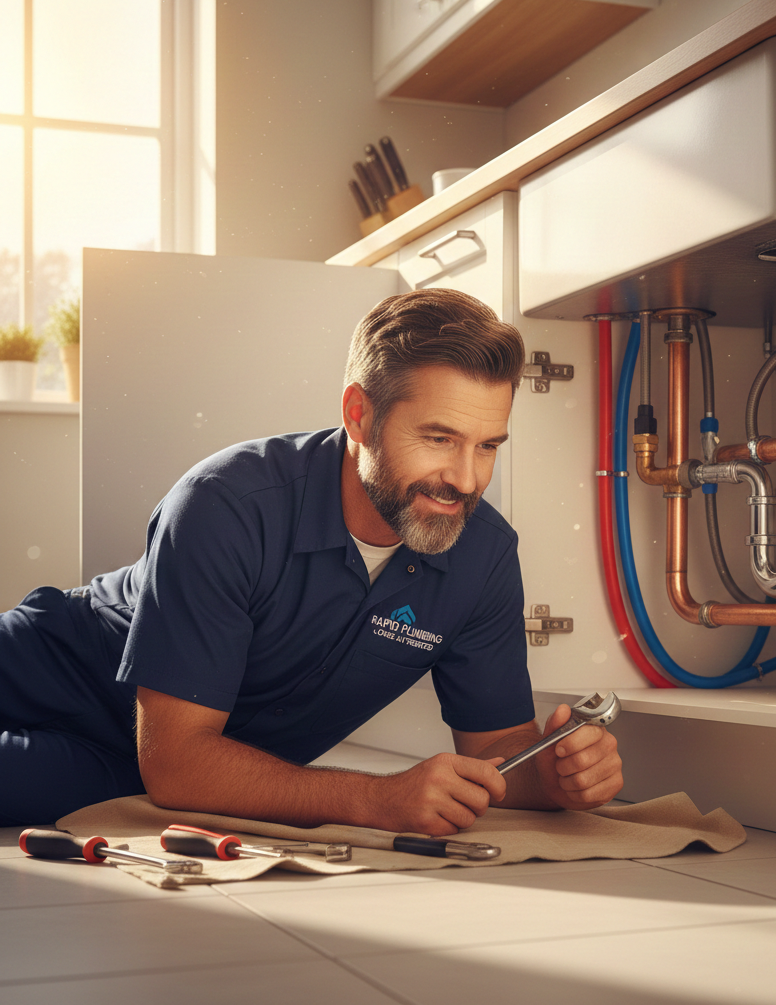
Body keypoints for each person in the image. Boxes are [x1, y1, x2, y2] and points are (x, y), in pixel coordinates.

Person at [0, 289, 622, 834]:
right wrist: (375, 798)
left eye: (487, 446)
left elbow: (494, 752)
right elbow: (178, 760)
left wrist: (552, 777)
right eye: (438, 439)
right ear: (359, 414)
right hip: (41, 676)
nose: (464, 479)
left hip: (123, 772)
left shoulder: (484, 555)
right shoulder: (226, 503)